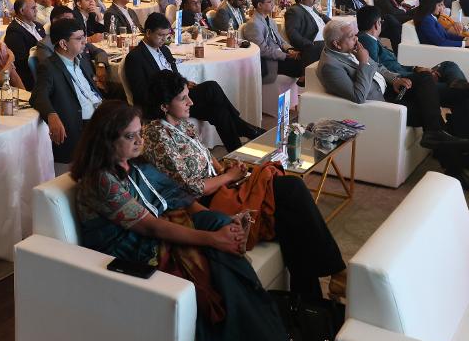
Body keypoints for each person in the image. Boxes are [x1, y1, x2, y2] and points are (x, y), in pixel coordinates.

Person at [71, 100, 296, 341]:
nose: (139, 141)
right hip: (133, 250)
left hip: (158, 229)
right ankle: (262, 338)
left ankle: (260, 334)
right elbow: (151, 227)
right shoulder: (100, 179)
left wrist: (225, 225)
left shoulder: (135, 163)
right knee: (217, 256)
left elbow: (180, 199)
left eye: (139, 132)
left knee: (219, 224)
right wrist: (213, 239)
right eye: (130, 136)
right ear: (106, 140)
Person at [141, 70, 346, 295]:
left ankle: (309, 299)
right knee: (291, 191)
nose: (191, 102)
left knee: (290, 216)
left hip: (220, 186)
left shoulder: (182, 123)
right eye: (183, 98)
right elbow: (190, 188)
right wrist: (228, 177)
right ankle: (333, 275)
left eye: (188, 95)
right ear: (164, 106)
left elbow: (206, 155)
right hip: (201, 203)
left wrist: (225, 170)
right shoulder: (157, 135)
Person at [317, 20, 469, 183]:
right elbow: (358, 96)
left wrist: (395, 79)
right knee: (435, 110)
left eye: (355, 34)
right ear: (336, 43)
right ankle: (456, 169)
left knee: (431, 81)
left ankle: (459, 150)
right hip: (384, 104)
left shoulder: (349, 49)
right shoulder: (330, 67)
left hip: (392, 89)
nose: (356, 38)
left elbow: (379, 68)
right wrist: (363, 62)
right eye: (351, 36)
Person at [357, 7, 469, 188]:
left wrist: (415, 68)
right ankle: (466, 157)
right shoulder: (367, 41)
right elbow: (377, 72)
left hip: (409, 77)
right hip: (406, 85)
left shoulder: (370, 41)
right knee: (461, 97)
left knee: (448, 66)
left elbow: (385, 66)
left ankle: (459, 84)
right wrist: (413, 74)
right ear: (376, 24)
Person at [125, 13, 260, 150]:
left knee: (219, 111)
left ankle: (236, 152)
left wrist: (184, 83)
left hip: (178, 97)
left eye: (166, 35)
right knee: (211, 87)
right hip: (163, 104)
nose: (164, 39)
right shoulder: (135, 57)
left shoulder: (164, 50)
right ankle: (242, 127)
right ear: (148, 33)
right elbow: (140, 94)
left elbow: (174, 75)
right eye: (160, 35)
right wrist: (168, 92)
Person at [30, 18, 104, 173]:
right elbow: (38, 96)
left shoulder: (82, 59)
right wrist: (51, 115)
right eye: (79, 39)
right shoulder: (49, 67)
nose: (84, 42)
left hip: (100, 117)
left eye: (84, 37)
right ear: (63, 44)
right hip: (82, 125)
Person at [243, 0, 304, 83]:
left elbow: (280, 41)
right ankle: (303, 82)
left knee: (307, 53)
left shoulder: (270, 20)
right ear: (259, 5)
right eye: (269, 2)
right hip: (271, 62)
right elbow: (263, 50)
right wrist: (287, 56)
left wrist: (290, 49)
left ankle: (303, 80)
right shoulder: (253, 24)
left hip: (280, 54)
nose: (273, 4)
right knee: (304, 63)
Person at [5, 0, 45, 91]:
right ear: (22, 11)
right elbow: (20, 61)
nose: (36, 11)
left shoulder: (38, 26)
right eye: (33, 8)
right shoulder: (14, 32)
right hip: (31, 74)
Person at [284, 0, 329, 68]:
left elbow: (322, 16)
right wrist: (309, 44)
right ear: (302, 0)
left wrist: (334, 24)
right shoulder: (294, 10)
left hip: (325, 41)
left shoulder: (311, 7)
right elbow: (292, 33)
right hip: (315, 45)